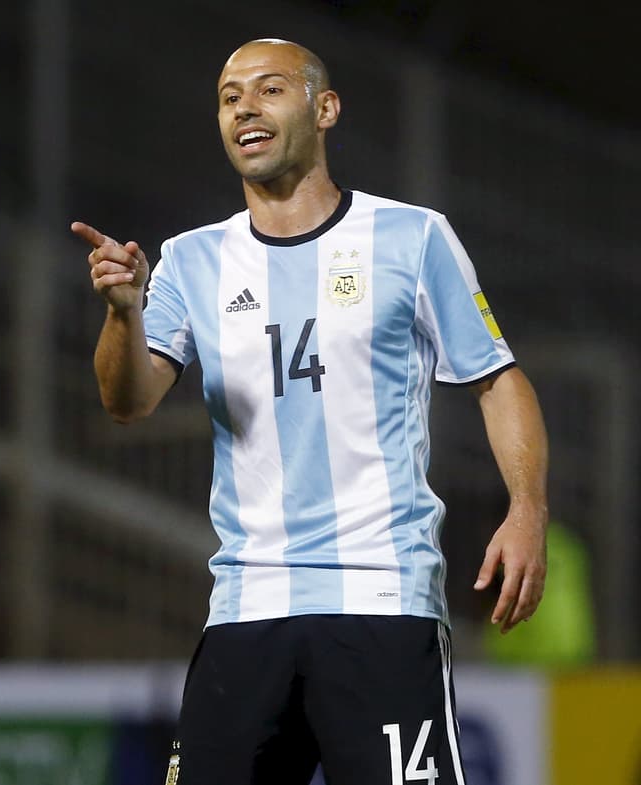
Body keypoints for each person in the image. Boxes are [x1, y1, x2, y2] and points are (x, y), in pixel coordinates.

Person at [72, 38, 548, 784]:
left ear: (324, 109)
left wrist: (527, 508)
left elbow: (497, 377)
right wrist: (124, 314)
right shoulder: (189, 259)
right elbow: (126, 401)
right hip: (246, 604)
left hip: (382, 598)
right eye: (230, 97)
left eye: (268, 91)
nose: (244, 111)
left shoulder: (412, 237)